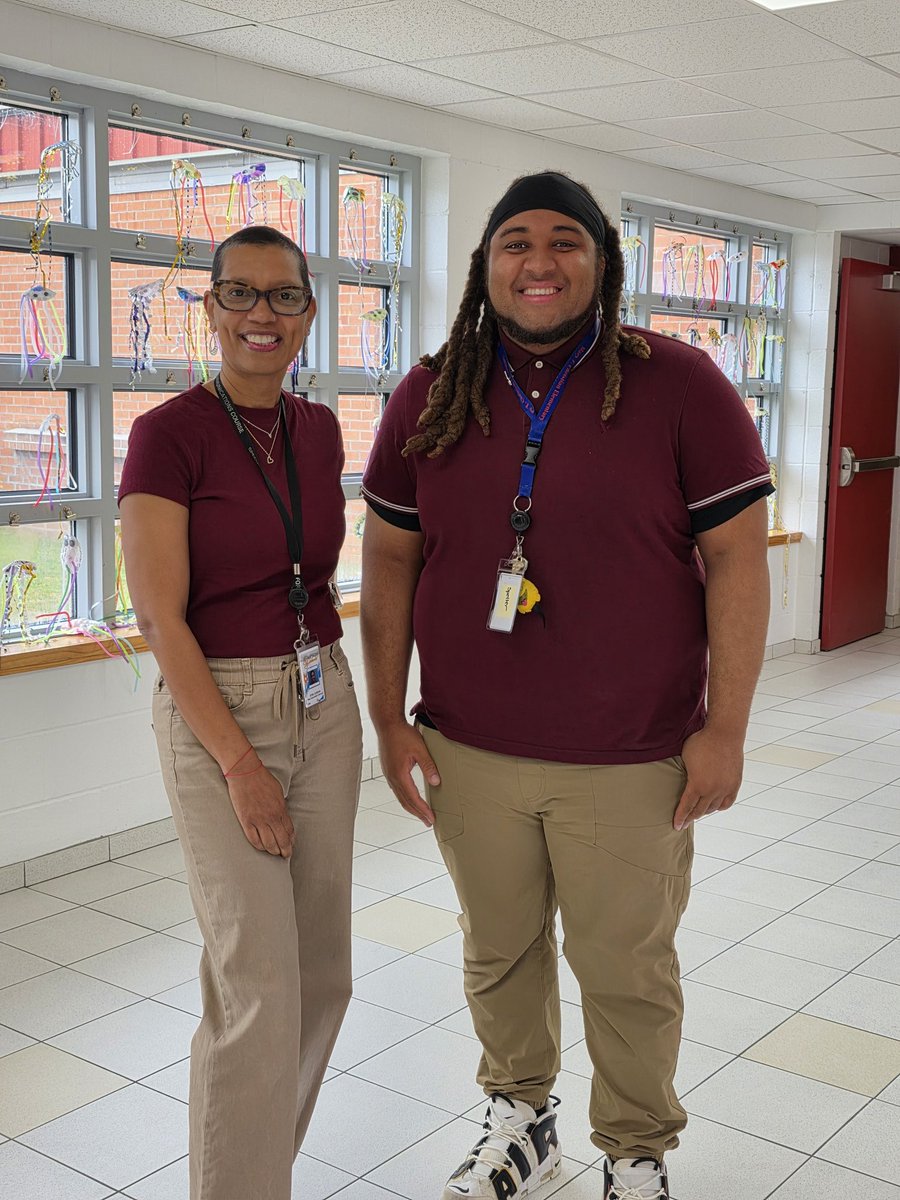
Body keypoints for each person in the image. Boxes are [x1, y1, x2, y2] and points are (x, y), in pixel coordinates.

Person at [360, 172, 771, 1200]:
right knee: (497, 953)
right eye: (515, 243)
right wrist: (388, 723)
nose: (538, 262)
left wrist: (725, 728)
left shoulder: (679, 383)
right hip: (469, 745)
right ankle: (522, 1120)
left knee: (625, 970)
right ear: (484, 264)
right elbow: (390, 565)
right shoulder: (433, 388)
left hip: (630, 755)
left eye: (564, 242)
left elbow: (738, 559)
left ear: (602, 261)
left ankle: (634, 1152)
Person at [120, 225, 362, 1200]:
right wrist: (240, 763)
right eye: (242, 295)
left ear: (307, 313)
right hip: (222, 713)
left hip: (323, 699)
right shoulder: (167, 434)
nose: (263, 314)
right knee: (257, 987)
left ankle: (253, 1173)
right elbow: (157, 617)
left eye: (283, 297)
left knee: (323, 980)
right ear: (211, 309)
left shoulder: (316, 429)